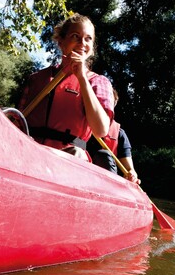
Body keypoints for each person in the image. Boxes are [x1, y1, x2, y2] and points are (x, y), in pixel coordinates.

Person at [17, 13, 114, 160]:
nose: (82, 43)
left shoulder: (98, 82)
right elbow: (18, 123)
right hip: (29, 152)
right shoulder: (36, 78)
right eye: (75, 36)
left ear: (92, 48)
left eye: (88, 38)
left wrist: (81, 77)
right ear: (61, 42)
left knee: (77, 153)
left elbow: (101, 130)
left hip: (69, 158)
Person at [86, 90, 140, 184]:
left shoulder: (119, 134)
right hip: (80, 172)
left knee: (103, 155)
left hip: (104, 182)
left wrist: (132, 175)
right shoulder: (79, 125)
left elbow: (129, 170)